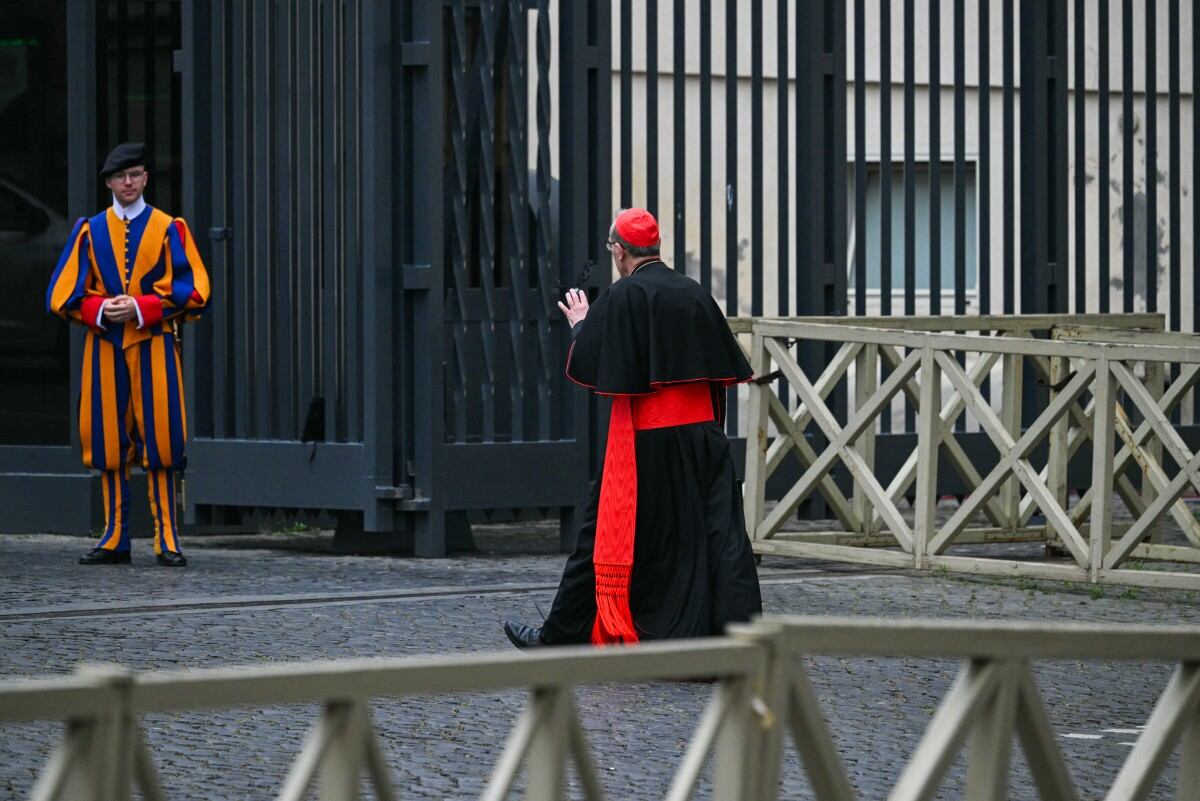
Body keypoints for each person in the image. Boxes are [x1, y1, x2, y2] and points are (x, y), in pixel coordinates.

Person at [504, 208, 762, 647]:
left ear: (621, 252)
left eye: (612, 251)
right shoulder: (694, 292)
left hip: (647, 442)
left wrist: (580, 323)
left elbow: (593, 358)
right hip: (703, 438)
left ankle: (557, 637)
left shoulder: (625, 295)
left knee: (600, 537)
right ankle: (742, 638)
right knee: (719, 537)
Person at [46, 142, 210, 567]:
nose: (129, 182)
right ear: (109, 183)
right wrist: (100, 308)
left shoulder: (170, 228)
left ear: (145, 178)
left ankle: (167, 538)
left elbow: (195, 291)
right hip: (104, 347)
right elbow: (61, 295)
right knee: (107, 440)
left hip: (154, 342)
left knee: (162, 438)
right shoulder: (89, 230)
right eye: (121, 176)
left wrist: (140, 307)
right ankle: (115, 535)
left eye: (136, 174)